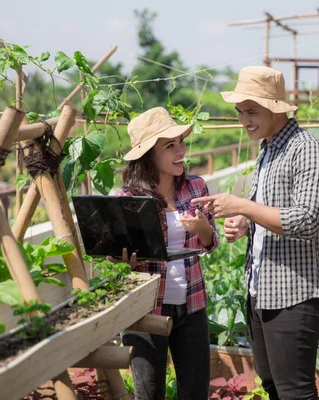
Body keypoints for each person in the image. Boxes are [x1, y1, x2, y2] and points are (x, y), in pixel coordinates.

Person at [192, 66, 319, 400]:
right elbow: (274, 212)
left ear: (275, 107)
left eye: (252, 111)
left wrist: (243, 206)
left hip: (295, 293)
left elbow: (306, 220)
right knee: (273, 387)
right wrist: (247, 224)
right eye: (240, 112)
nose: (244, 120)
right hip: (263, 289)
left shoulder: (308, 151)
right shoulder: (268, 149)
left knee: (295, 392)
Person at [112, 107, 219, 400]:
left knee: (195, 393)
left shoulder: (196, 187)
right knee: (148, 394)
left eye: (181, 142)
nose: (181, 151)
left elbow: (211, 242)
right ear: (148, 155)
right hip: (145, 310)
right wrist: (124, 261)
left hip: (191, 308)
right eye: (170, 146)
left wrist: (201, 228)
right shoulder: (128, 199)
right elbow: (114, 257)